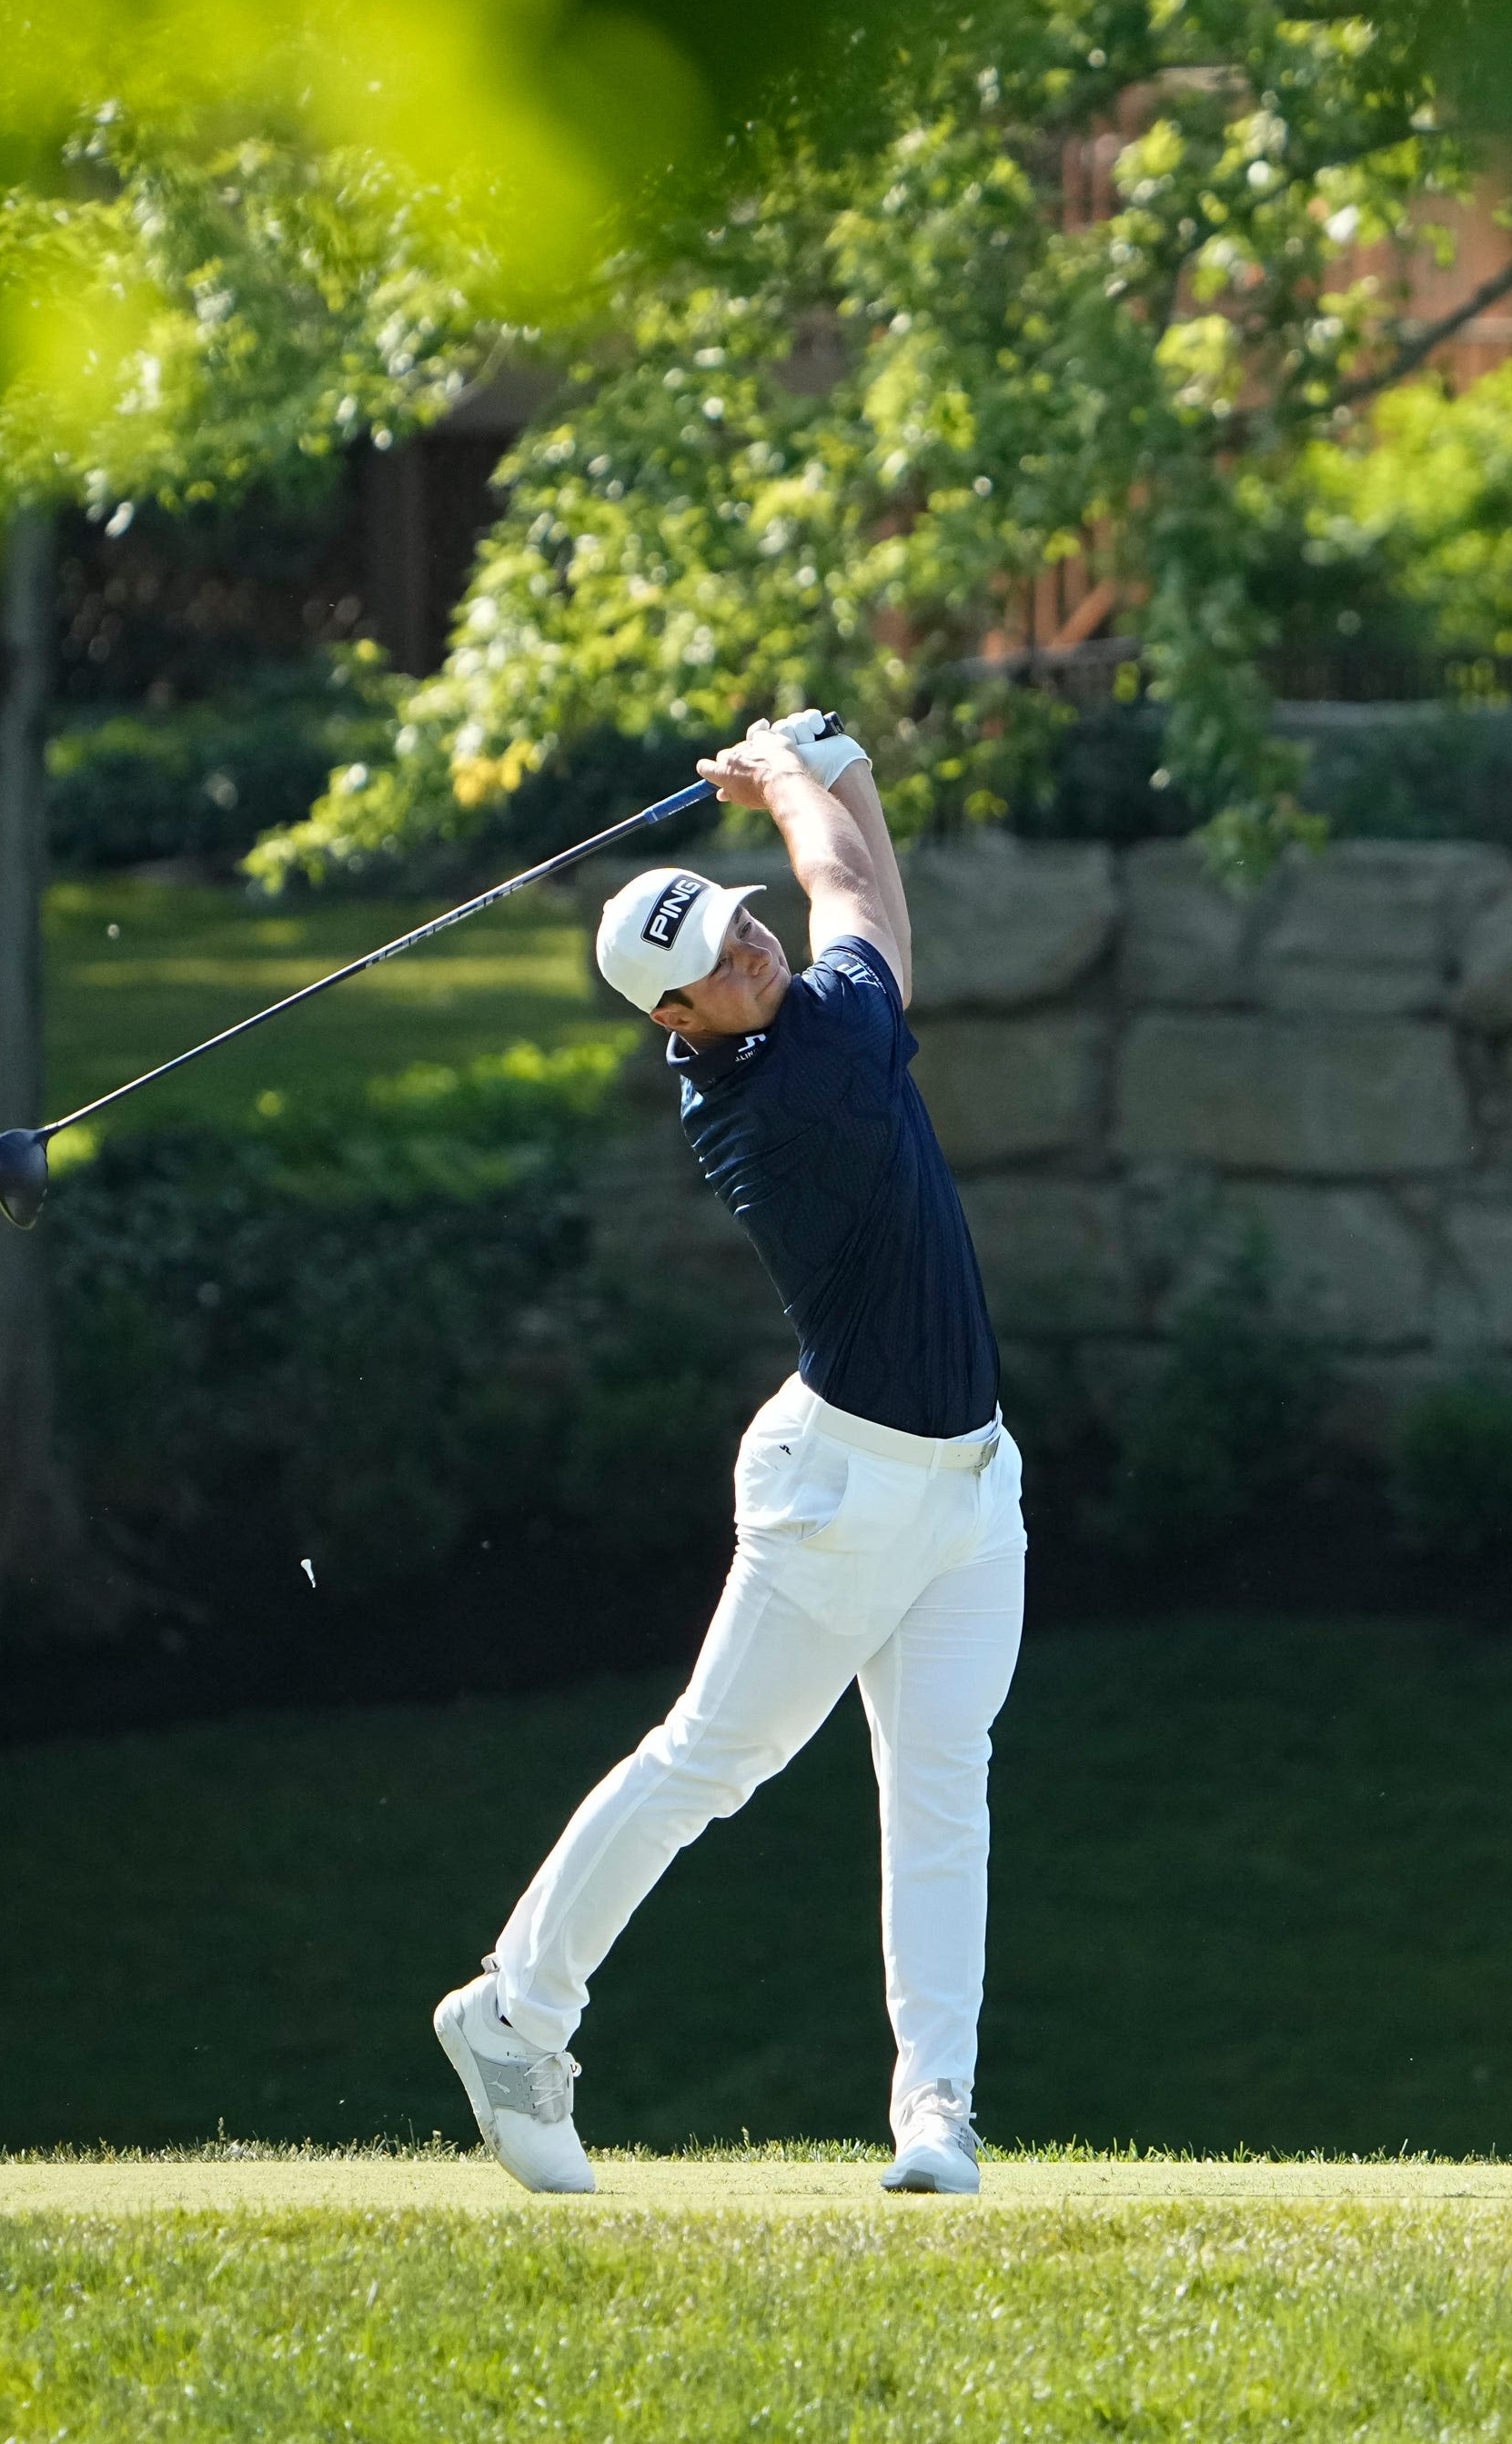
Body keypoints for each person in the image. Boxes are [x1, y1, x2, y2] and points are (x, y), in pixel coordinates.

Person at [433, 708, 1022, 2197]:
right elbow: (862, 906)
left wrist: (843, 782)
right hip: (844, 1496)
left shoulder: (812, 1030)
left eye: (747, 936)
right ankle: (515, 2010)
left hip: (966, 1483)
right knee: (711, 1762)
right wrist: (796, 783)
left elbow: (865, 921)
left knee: (944, 1785)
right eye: (720, 968)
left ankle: (936, 2113)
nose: (755, 956)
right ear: (675, 1023)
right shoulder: (792, 1086)